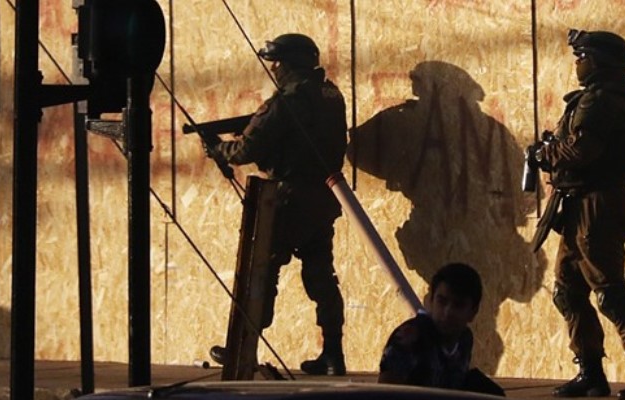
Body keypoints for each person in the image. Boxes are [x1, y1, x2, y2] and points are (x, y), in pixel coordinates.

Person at [528, 29, 625, 399]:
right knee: (568, 291)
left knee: (609, 291)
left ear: (597, 61)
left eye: (581, 57)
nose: (577, 64)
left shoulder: (602, 100)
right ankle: (590, 372)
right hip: (580, 203)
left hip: (598, 204)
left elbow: (581, 152)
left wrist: (546, 154)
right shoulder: (598, 97)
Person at [209, 33, 349, 376]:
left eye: (278, 63)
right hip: (322, 198)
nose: (274, 69)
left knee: (261, 272)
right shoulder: (330, 95)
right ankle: (333, 353)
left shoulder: (287, 101)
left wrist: (219, 148)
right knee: (321, 276)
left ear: (290, 64)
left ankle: (244, 348)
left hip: (287, 201)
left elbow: (246, 150)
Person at [378, 263, 505, 397]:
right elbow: (386, 394)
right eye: (442, 301)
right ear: (431, 301)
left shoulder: (464, 340)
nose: (447, 312)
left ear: (473, 312)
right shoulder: (410, 339)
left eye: (458, 305)